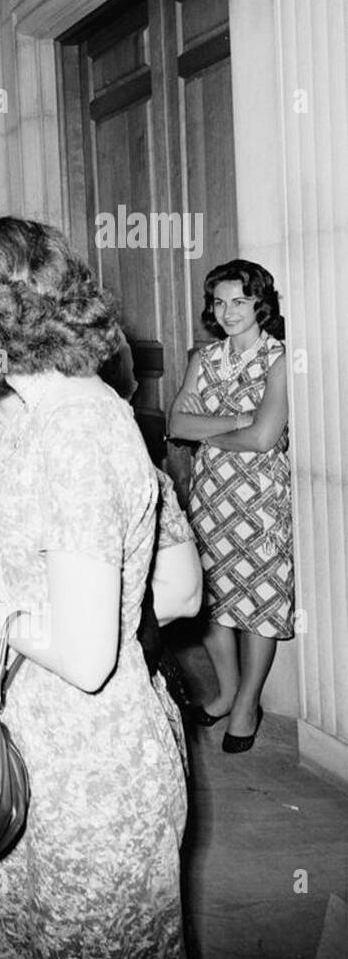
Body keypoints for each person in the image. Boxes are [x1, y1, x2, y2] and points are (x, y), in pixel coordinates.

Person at [0, 216, 192, 959]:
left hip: (87, 760)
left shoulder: (79, 430)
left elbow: (84, 656)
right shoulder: (21, 409)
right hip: (24, 735)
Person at [168, 259, 292, 752]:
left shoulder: (280, 359)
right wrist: (238, 417)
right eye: (220, 302)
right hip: (210, 494)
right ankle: (224, 692)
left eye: (239, 301)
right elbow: (177, 425)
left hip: (260, 498)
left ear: (260, 303)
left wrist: (217, 423)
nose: (228, 312)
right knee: (212, 601)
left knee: (257, 602)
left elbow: (265, 439)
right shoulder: (205, 358)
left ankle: (247, 703)